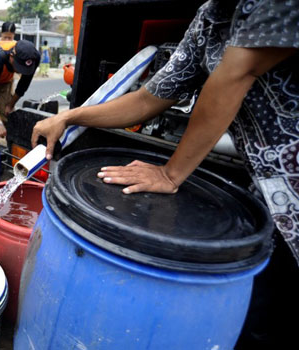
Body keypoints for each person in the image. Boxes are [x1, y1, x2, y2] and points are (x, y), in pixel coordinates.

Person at [32, 0, 298, 347]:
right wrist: (70, 117)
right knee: (259, 311)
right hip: (269, 191)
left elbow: (236, 72)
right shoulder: (210, 17)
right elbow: (147, 99)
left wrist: (171, 174)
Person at [0, 39, 40, 141]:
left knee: (7, 111)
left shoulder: (33, 58)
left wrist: (11, 104)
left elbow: (23, 85)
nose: (19, 71)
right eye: (19, 67)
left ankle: (12, 143)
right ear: (11, 56)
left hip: (5, 76)